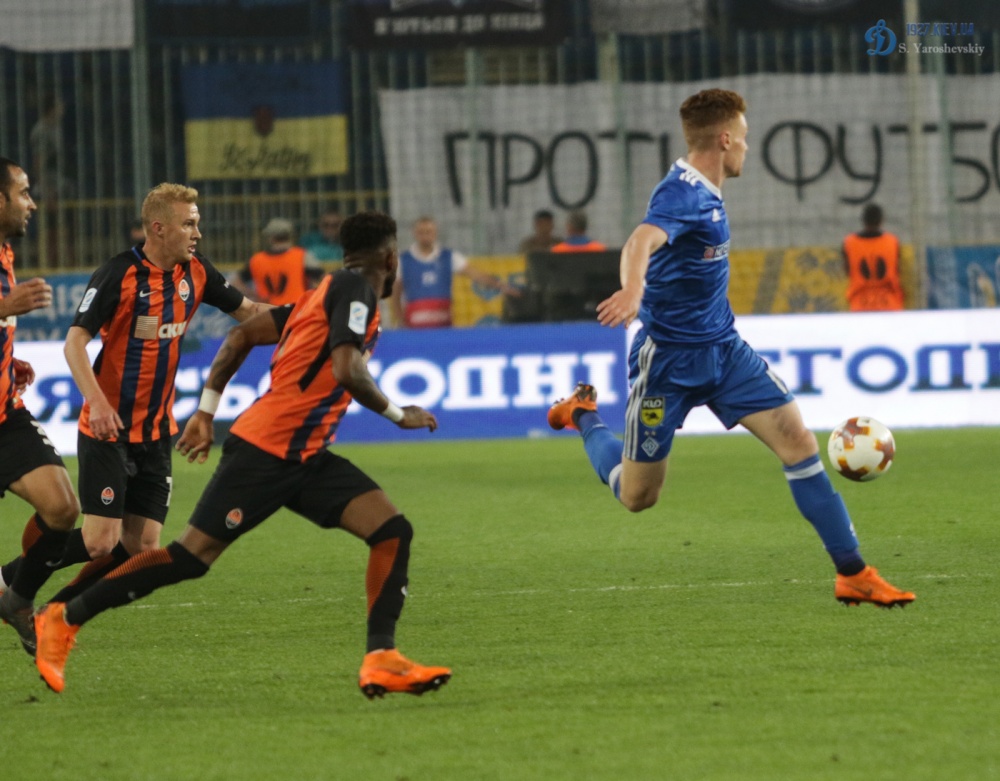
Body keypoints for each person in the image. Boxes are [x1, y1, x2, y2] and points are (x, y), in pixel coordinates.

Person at [34, 211, 452, 700]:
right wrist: (400, 414)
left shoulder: (325, 294)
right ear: (391, 258)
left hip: (305, 455)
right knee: (189, 557)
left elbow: (241, 335)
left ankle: (381, 658)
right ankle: (64, 617)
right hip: (266, 452)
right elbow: (347, 368)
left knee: (391, 531)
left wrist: (206, 411)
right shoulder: (355, 290)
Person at [546, 89, 915, 608]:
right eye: (743, 136)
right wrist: (632, 290)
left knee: (798, 443)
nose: (746, 146)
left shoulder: (709, 192)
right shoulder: (682, 195)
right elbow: (639, 241)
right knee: (638, 496)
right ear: (724, 139)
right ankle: (583, 415)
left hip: (725, 350)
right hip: (668, 362)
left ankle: (853, 572)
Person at [0, 183, 271, 611]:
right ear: (159, 228)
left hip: (157, 430)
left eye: (197, 223)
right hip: (108, 429)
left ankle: (55, 614)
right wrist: (98, 403)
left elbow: (251, 312)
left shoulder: (197, 271)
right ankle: (9, 581)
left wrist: (309, 316)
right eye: (189, 224)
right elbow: (74, 343)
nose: (197, 233)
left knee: (141, 547)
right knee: (100, 541)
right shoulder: (119, 274)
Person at [0, 157, 80, 656]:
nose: (32, 203)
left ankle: (17, 599)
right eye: (23, 193)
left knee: (63, 508)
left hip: (4, 414)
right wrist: (4, 307)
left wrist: (10, 360)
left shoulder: (4, 251)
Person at [390, 215, 518, 328]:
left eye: (428, 232)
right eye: (421, 232)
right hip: (415, 324)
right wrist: (400, 319)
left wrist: (501, 285)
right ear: (415, 233)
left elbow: (476, 275)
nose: (425, 236)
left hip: (442, 323)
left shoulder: (449, 256)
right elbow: (395, 294)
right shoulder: (403, 260)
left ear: (435, 233)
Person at [236, 217, 322, 305]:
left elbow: (236, 283)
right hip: (296, 308)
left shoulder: (256, 260)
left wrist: (255, 295)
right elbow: (319, 281)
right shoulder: (303, 255)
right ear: (290, 236)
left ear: (271, 238)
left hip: (267, 309)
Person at [842, 203, 904, 312]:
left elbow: (848, 271)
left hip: (860, 304)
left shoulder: (849, 243)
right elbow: (897, 270)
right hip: (890, 304)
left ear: (863, 220)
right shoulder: (892, 242)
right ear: (881, 220)